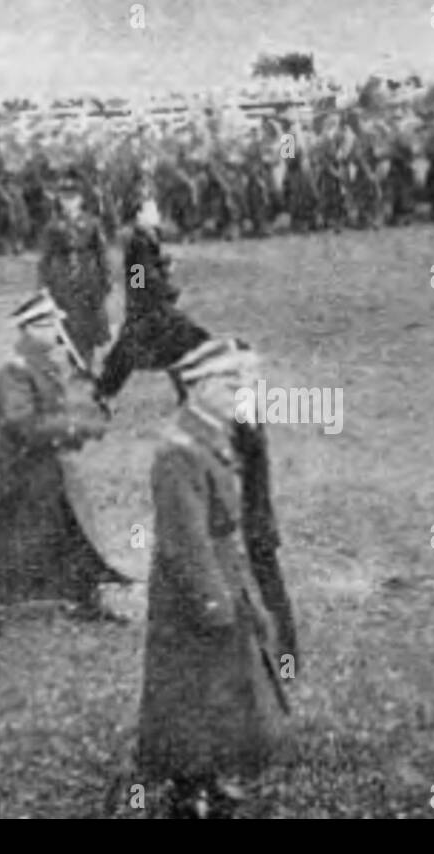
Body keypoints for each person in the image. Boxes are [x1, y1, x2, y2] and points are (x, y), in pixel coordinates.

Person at [138, 338, 291, 819]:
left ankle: (208, 775)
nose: (242, 392)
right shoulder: (179, 450)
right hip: (192, 590)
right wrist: (212, 600)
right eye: (231, 383)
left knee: (220, 685)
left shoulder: (211, 433)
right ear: (199, 387)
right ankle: (189, 789)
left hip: (222, 574)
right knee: (188, 689)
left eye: (243, 382)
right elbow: (185, 540)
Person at [0, 290, 132, 622]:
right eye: (49, 326)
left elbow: (54, 410)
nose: (56, 333)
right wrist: (77, 427)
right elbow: (22, 422)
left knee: (69, 532)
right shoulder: (13, 372)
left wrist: (88, 414)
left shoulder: (45, 364)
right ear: (30, 329)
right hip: (14, 470)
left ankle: (84, 598)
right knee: (4, 542)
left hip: (44, 466)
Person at [95, 193, 211, 408]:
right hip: (146, 311)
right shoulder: (137, 243)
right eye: (151, 210)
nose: (156, 214)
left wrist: (162, 266)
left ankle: (186, 392)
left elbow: (148, 271)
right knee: (131, 354)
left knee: (179, 344)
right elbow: (139, 279)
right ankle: (103, 393)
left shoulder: (148, 237)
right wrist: (166, 287)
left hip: (153, 308)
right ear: (140, 215)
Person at [37, 191, 112, 366]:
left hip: (87, 276)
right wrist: (43, 284)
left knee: (89, 321)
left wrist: (105, 277)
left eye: (73, 199)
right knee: (70, 322)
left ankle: (87, 360)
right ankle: (77, 362)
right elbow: (45, 257)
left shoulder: (92, 223)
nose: (69, 204)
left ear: (80, 200)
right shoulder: (53, 226)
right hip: (64, 278)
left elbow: (101, 253)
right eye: (65, 199)